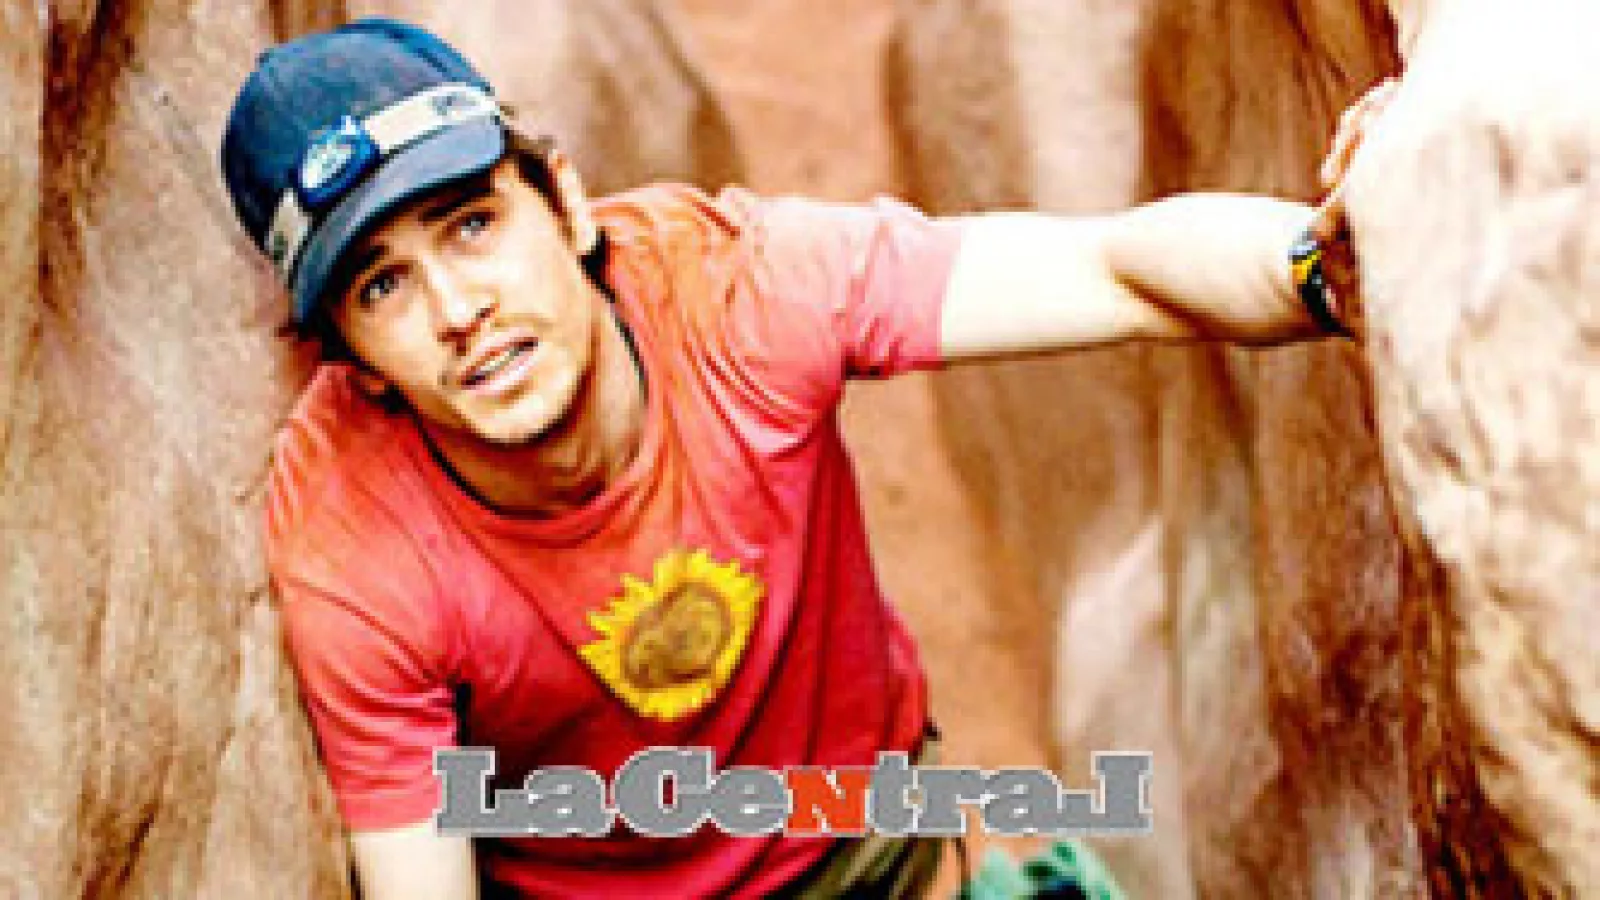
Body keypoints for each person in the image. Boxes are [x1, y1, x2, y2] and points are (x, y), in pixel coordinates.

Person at [220, 17, 1373, 900]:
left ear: (565, 203)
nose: (458, 309)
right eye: (383, 285)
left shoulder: (741, 294)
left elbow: (1113, 271)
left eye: (472, 225)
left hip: (873, 848)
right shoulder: (352, 551)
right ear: (355, 364)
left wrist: (1323, 266)